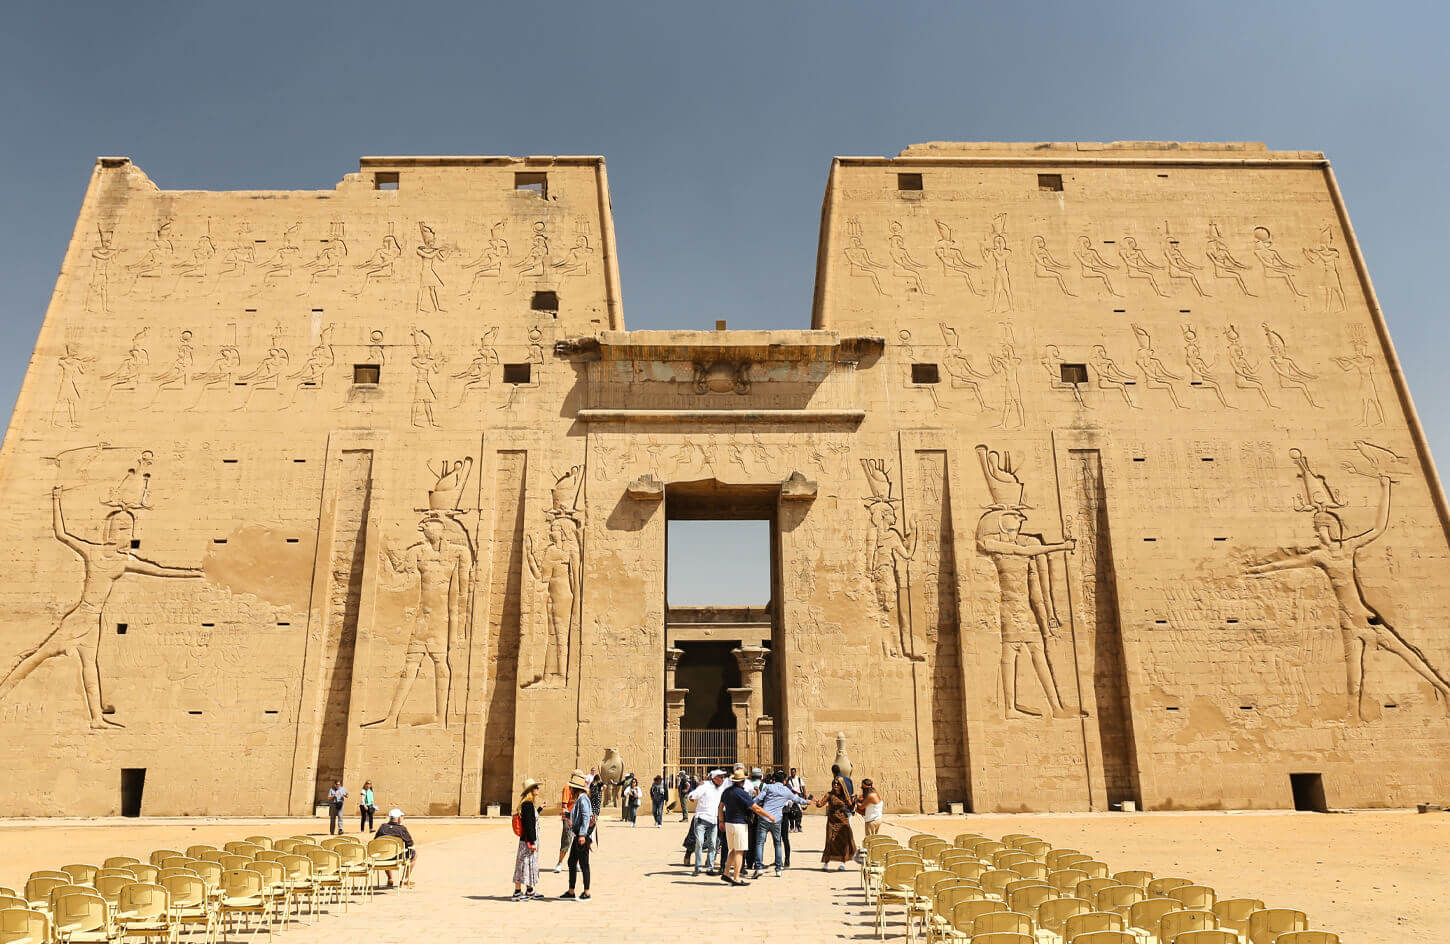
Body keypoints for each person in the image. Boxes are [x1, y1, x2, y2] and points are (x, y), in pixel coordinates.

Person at [719, 768, 774, 886]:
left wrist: (721, 821)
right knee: (739, 852)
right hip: (739, 824)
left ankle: (726, 873)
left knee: (733, 850)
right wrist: (769, 816)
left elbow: (720, 806)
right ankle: (736, 878)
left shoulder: (727, 791)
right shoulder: (742, 793)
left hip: (728, 823)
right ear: (742, 781)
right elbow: (756, 808)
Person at [752, 770, 807, 877]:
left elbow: (758, 799)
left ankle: (758, 868)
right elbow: (797, 799)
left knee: (760, 843)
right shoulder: (786, 790)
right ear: (784, 781)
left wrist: (749, 803)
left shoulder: (768, 787)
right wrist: (808, 801)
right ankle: (778, 869)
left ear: (774, 779)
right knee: (777, 844)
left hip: (764, 817)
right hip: (776, 820)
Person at [560, 771, 594, 901]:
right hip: (578, 834)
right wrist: (567, 814)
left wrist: (582, 835)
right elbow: (578, 816)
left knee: (584, 864)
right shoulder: (580, 799)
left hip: (581, 836)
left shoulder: (583, 799)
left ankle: (587, 892)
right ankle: (571, 890)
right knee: (572, 861)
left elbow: (585, 817)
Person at [687, 769, 727, 876]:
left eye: (723, 777)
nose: (722, 779)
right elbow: (694, 794)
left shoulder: (723, 787)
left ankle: (710, 868)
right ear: (714, 778)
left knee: (713, 844)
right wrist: (691, 797)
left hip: (714, 820)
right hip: (702, 819)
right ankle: (698, 868)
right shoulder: (705, 786)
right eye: (720, 777)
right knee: (699, 843)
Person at [814, 778, 857, 870]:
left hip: (843, 820)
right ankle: (826, 862)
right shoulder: (829, 795)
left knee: (843, 842)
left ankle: (843, 863)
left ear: (841, 786)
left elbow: (851, 807)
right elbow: (821, 804)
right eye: (834, 783)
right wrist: (817, 803)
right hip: (832, 820)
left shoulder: (845, 796)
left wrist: (854, 802)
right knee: (830, 840)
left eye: (837, 784)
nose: (835, 785)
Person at [512, 779, 542, 901]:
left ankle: (530, 890)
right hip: (528, 841)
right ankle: (517, 892)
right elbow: (529, 824)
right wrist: (532, 842)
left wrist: (540, 809)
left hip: (526, 840)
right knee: (524, 865)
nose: (537, 789)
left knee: (528, 864)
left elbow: (531, 819)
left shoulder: (528, 804)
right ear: (531, 790)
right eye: (536, 787)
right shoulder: (528, 804)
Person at [375, 808, 415, 887]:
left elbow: (376, 840)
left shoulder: (382, 827)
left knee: (385, 852)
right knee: (415, 854)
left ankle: (390, 878)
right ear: (399, 818)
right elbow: (410, 843)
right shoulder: (401, 829)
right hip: (397, 856)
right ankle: (405, 879)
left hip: (384, 857)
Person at [554, 770, 583, 873]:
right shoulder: (568, 787)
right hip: (568, 817)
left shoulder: (581, 789)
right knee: (566, 840)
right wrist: (568, 818)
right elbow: (564, 806)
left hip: (578, 817)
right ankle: (559, 863)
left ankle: (576, 864)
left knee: (579, 840)